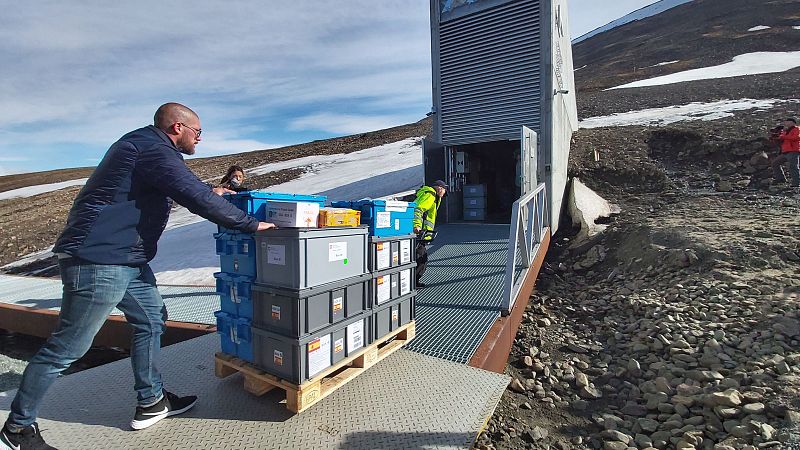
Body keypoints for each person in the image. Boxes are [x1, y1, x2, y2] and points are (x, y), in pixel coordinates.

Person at [1, 102, 276, 450]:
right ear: (178, 127)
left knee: (150, 321)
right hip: (100, 259)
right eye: (198, 133)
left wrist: (213, 192)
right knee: (67, 347)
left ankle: (151, 401)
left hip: (125, 259)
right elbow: (191, 195)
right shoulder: (152, 149)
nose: (200, 140)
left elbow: (177, 188)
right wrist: (254, 226)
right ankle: (17, 429)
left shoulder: (148, 149)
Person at [412, 180, 448, 288]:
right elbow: (418, 209)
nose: (444, 194)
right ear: (440, 188)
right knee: (421, 259)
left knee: (419, 257)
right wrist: (416, 226)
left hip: (422, 234)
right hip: (419, 233)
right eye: (444, 191)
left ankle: (413, 281)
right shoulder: (430, 195)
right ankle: (413, 282)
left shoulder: (432, 196)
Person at [771, 117, 800, 187]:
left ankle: (796, 183)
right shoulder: (785, 131)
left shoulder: (797, 129)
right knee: (775, 163)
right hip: (785, 151)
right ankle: (781, 179)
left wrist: (783, 137)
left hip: (793, 151)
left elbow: (796, 137)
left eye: (787, 121)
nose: (785, 123)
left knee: (793, 167)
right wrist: (776, 138)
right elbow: (782, 141)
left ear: (792, 122)